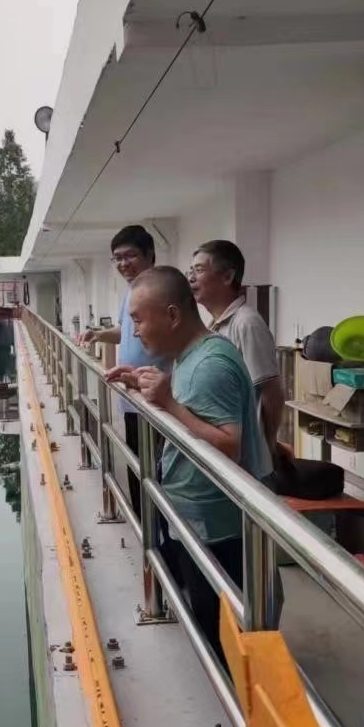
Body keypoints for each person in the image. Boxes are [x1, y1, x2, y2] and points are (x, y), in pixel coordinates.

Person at [106, 266, 270, 665]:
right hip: (196, 518)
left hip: (217, 528)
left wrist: (169, 404)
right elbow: (195, 415)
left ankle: (233, 698)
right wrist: (147, 387)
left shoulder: (210, 364)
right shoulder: (190, 356)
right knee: (205, 617)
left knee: (224, 636)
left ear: (172, 315)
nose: (135, 332)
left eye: (139, 320)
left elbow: (228, 446)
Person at [78, 225, 168, 519]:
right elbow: (124, 331)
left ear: (150, 255)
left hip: (156, 400)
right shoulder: (131, 293)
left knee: (157, 475)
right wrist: (98, 334)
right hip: (132, 399)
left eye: (130, 256)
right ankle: (145, 532)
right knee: (138, 470)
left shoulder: (160, 292)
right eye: (117, 258)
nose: (123, 263)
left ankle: (156, 535)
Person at [189, 240, 284, 477]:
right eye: (190, 271)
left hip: (249, 459)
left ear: (227, 276)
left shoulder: (246, 323)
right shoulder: (214, 325)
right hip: (229, 453)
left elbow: (271, 392)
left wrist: (269, 446)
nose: (191, 278)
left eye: (199, 270)